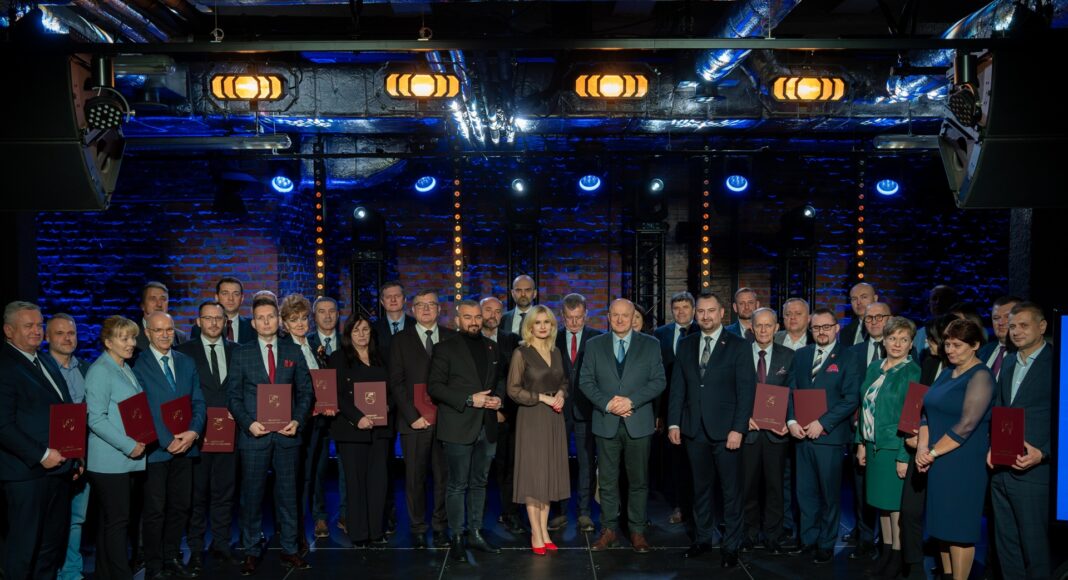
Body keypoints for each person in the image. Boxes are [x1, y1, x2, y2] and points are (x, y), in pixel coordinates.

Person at [226, 295, 314, 575]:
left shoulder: (293, 351)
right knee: (251, 497)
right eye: (260, 318)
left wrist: (297, 421)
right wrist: (248, 424)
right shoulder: (242, 353)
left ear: (278, 320)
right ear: (253, 323)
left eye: (271, 316)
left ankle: (290, 549)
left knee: (288, 495)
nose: (266, 322)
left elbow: (306, 392)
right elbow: (233, 396)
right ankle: (251, 550)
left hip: (287, 436)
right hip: (254, 436)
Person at [667, 292, 755, 567]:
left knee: (730, 491)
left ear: (721, 313)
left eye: (711, 311)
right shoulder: (686, 344)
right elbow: (678, 387)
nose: (706, 316)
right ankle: (702, 539)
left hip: (727, 431)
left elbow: (746, 391)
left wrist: (738, 429)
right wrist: (674, 422)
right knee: (700, 489)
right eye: (701, 311)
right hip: (694, 429)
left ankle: (731, 546)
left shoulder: (739, 345)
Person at [581, 299, 666, 554]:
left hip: (638, 422)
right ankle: (609, 530)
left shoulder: (650, 344)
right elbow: (585, 381)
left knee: (638, 480)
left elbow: (658, 381)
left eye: (625, 315)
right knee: (607, 481)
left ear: (633, 317)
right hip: (606, 421)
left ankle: (637, 530)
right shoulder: (594, 344)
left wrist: (631, 401)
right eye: (615, 315)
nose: (620, 320)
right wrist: (608, 404)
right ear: (608, 317)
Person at [0, 302, 78, 580]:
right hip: (26, 475)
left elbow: (64, 411)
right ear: (9, 330)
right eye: (28, 326)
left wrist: (76, 454)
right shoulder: (5, 365)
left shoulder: (44, 360)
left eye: (38, 324)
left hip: (59, 471)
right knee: (23, 551)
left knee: (50, 548)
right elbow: (3, 425)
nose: (36, 330)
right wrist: (42, 455)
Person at [915, 318, 993, 580]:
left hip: (963, 463)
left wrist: (932, 453)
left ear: (975, 345)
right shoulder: (947, 371)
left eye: (957, 345)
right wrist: (922, 448)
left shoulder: (980, 376)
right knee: (942, 527)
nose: (950, 350)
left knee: (959, 531)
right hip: (938, 460)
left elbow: (967, 424)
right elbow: (926, 411)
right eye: (947, 344)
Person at [427, 300, 504, 562]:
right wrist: (470, 399)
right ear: (457, 320)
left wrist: (499, 399)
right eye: (468, 317)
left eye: (477, 317)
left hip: (487, 426)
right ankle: (458, 537)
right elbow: (435, 387)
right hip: (458, 426)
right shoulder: (444, 348)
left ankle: (475, 532)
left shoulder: (492, 347)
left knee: (480, 482)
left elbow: (500, 379)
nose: (474, 322)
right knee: (457, 485)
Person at [133, 312, 206, 580]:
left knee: (180, 506)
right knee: (155, 511)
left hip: (186, 447)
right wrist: (167, 441)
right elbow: (142, 409)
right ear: (148, 333)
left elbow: (198, 401)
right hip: (156, 450)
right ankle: (153, 566)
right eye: (158, 330)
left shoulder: (186, 362)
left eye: (169, 330)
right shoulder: (137, 365)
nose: (165, 335)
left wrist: (193, 433)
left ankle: (171, 556)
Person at [786, 307, 859, 565]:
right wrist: (791, 420)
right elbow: (791, 391)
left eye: (827, 327)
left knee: (829, 495)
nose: (822, 332)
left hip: (830, 437)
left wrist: (823, 423)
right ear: (811, 329)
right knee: (805, 493)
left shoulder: (849, 357)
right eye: (817, 327)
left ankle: (826, 543)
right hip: (801, 436)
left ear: (836, 328)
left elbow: (851, 398)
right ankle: (808, 540)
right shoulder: (802, 355)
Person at [854, 316, 921, 579]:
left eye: (904, 339)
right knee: (881, 504)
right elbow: (864, 408)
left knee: (895, 507)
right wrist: (861, 443)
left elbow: (912, 418)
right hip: (873, 447)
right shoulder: (874, 367)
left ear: (911, 343)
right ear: (884, 340)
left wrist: (905, 455)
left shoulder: (913, 372)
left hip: (895, 448)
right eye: (892, 338)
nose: (897, 344)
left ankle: (897, 557)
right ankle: (885, 552)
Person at [988, 302, 1052, 580]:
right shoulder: (1009, 361)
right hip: (1001, 470)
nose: (1015, 331)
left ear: (1042, 326)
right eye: (1012, 326)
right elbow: (1002, 408)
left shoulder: (1058, 362)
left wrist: (1044, 453)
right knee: (1007, 547)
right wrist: (993, 446)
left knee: (1035, 549)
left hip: (1035, 472)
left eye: (1024, 325)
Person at [176, 301, 241, 572]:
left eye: (218, 318)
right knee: (197, 494)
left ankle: (222, 544)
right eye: (208, 318)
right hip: (198, 434)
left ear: (225, 322)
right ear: (198, 321)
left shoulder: (237, 351)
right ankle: (195, 548)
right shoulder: (184, 352)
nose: (214, 323)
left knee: (225, 492)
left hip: (230, 432)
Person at [388, 289, 454, 549]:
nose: (426, 309)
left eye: (431, 304)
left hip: (445, 421)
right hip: (413, 422)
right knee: (415, 478)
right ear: (412, 309)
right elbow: (396, 382)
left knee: (443, 477)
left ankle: (440, 527)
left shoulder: (451, 338)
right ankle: (417, 528)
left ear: (439, 309)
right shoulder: (399, 340)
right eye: (420, 305)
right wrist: (413, 416)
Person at [85, 315, 147, 580]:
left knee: (110, 522)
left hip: (123, 461)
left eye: (132, 337)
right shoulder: (100, 370)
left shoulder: (123, 367)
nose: (131, 343)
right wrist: (129, 445)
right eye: (124, 338)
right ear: (108, 342)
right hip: (110, 462)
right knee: (118, 523)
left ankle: (104, 574)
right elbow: (95, 419)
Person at [507, 305, 570, 555]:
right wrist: (543, 398)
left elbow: (563, 381)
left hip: (554, 417)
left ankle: (544, 531)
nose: (543, 327)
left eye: (547, 322)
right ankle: (536, 533)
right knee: (535, 477)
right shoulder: (521, 353)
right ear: (530, 326)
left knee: (548, 476)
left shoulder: (555, 351)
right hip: (532, 417)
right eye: (538, 322)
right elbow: (513, 390)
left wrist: (561, 394)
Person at [329, 313, 392, 547]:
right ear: (348, 334)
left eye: (365, 329)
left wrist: (388, 406)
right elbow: (336, 394)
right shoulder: (338, 358)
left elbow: (395, 387)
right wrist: (358, 418)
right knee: (355, 482)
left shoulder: (383, 356)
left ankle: (376, 531)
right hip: (352, 430)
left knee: (379, 481)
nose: (361, 334)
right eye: (356, 330)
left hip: (380, 429)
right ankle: (358, 533)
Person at [899, 313, 954, 579]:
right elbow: (916, 402)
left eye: (931, 339)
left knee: (943, 514)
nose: (926, 344)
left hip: (946, 450)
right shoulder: (929, 363)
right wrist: (909, 434)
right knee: (909, 510)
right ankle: (913, 565)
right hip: (918, 446)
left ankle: (947, 569)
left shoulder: (963, 370)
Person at [740, 307, 794, 555]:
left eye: (768, 325)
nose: (763, 330)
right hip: (748, 432)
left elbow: (793, 392)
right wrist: (742, 420)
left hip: (776, 433)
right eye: (759, 325)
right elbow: (732, 391)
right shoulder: (740, 354)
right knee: (747, 486)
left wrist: (789, 421)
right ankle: (749, 533)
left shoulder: (788, 356)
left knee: (775, 487)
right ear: (751, 328)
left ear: (776, 328)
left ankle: (773, 535)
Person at [844, 301, 894, 561]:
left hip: (890, 436)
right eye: (869, 318)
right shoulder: (854, 351)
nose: (873, 322)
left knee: (886, 490)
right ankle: (865, 538)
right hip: (859, 431)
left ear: (890, 318)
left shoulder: (901, 351)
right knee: (861, 486)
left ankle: (889, 543)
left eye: (879, 317)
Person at [47, 313, 93, 580]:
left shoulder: (87, 369)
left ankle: (72, 572)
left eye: (71, 333)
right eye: (60, 333)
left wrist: (81, 456)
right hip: (49, 458)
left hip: (81, 456)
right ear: (47, 337)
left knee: (76, 518)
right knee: (51, 520)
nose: (67, 338)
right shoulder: (40, 369)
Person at [292, 295, 342, 541]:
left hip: (344, 415)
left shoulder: (349, 340)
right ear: (314, 316)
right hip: (315, 416)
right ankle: (318, 515)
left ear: (338, 314)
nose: (327, 315)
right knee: (316, 469)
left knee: (347, 469)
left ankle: (346, 514)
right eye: (322, 311)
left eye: (332, 311)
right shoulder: (305, 343)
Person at [554, 293, 603, 534]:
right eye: (569, 318)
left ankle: (584, 512)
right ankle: (560, 512)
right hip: (558, 410)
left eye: (579, 317)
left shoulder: (598, 339)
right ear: (562, 317)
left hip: (587, 410)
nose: (574, 322)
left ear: (586, 315)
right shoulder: (553, 338)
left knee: (586, 463)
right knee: (558, 462)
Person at [480, 297, 524, 534]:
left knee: (509, 468)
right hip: (476, 417)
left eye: (497, 311)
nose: (493, 315)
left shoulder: (512, 340)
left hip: (507, 416)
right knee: (478, 471)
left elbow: (515, 378)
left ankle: (510, 514)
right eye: (488, 310)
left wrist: (502, 409)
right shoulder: (468, 339)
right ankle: (475, 520)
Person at [653, 291, 696, 527]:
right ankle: (680, 505)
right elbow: (656, 374)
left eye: (685, 307)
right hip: (670, 404)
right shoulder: (660, 334)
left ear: (693, 310)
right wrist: (659, 413)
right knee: (675, 460)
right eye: (677, 308)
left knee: (696, 460)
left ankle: (697, 507)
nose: (681, 312)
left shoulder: (701, 331)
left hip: (697, 405)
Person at [191, 277, 254, 344]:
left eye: (236, 294)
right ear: (217, 297)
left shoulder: (253, 327)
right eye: (225, 293)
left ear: (242, 298)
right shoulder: (199, 328)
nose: (230, 298)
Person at [977, 296, 1022, 381]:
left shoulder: (1025, 353)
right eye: (996, 318)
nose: (1000, 323)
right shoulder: (983, 351)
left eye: (1007, 317)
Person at [136, 281, 189, 352]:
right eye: (153, 299)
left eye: (163, 299)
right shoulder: (132, 335)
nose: (159, 304)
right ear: (142, 305)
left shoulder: (180, 337)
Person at [372, 281, 414, 355]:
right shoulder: (374, 328)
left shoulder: (416, 325)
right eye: (388, 297)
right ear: (382, 302)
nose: (393, 300)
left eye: (397, 296)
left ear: (404, 299)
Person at [841, 283, 878, 347]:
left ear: (875, 299)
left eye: (864, 297)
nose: (858, 302)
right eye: (854, 299)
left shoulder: (887, 328)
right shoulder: (845, 332)